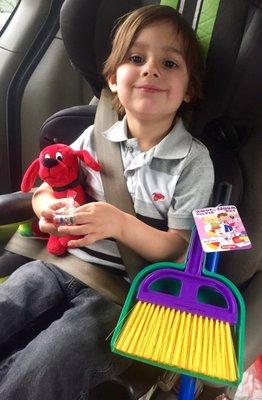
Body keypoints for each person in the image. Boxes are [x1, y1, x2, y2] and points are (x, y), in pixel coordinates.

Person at [0, 5, 214, 400]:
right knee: (8, 306)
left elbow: (178, 249)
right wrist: (46, 208)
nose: (151, 69)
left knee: (50, 363)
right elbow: (51, 188)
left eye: (169, 62)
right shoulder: (95, 136)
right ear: (114, 79)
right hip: (60, 263)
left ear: (189, 90)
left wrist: (119, 224)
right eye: (136, 58)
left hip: (125, 292)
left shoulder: (193, 162)